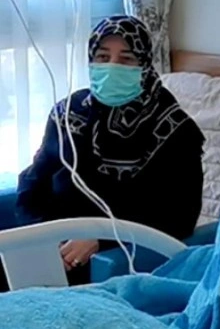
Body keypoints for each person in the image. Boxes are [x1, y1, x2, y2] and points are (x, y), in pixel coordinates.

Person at [14, 15, 205, 285]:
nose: (112, 67)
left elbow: (179, 216)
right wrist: (42, 235)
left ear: (144, 65)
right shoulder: (68, 113)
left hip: (111, 257)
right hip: (50, 243)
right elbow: (34, 180)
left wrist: (101, 238)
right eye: (102, 57)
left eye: (126, 59)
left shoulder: (175, 130)